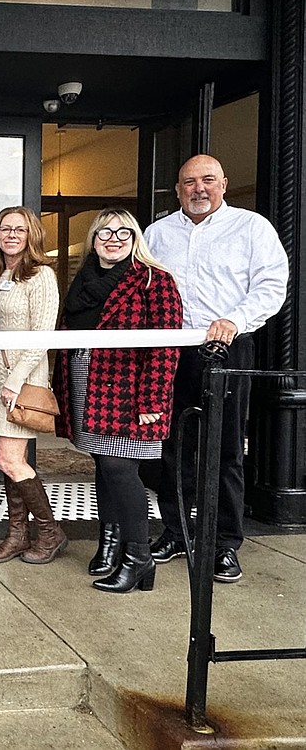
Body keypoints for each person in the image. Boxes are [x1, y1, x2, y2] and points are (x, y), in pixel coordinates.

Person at [146, 155, 288, 584]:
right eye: (189, 182)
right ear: (177, 189)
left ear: (224, 183)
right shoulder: (157, 232)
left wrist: (236, 321)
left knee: (225, 449)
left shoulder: (251, 228)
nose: (199, 188)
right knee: (172, 448)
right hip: (172, 352)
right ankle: (176, 530)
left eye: (208, 180)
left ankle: (225, 542)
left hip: (226, 349)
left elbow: (271, 285)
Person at [54, 208, 182, 594]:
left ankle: (138, 557)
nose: (113, 238)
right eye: (104, 232)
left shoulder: (154, 280)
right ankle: (109, 545)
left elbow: (166, 347)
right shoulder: (83, 280)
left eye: (123, 232)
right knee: (104, 465)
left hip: (127, 390)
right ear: (93, 239)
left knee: (121, 469)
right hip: (84, 379)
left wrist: (152, 401)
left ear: (135, 239)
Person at [0, 207, 65, 566]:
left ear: (32, 235)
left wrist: (15, 382)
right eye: (5, 229)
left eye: (20, 229)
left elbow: (42, 335)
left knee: (9, 459)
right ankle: (17, 535)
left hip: (21, 382)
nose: (11, 235)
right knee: (8, 463)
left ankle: (49, 533)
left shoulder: (40, 275)